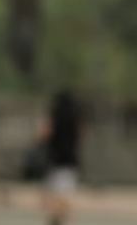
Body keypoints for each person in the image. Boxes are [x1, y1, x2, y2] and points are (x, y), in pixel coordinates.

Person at [38, 90, 85, 225]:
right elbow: (82, 135)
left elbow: (43, 134)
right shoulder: (76, 118)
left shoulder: (54, 116)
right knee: (65, 195)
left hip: (55, 160)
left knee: (56, 197)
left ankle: (56, 218)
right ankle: (62, 218)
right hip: (71, 161)